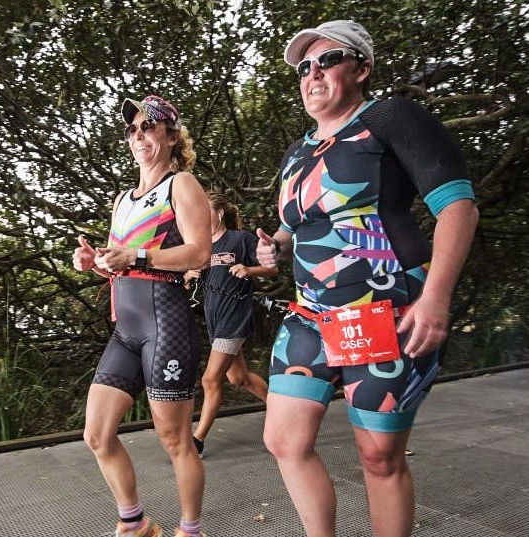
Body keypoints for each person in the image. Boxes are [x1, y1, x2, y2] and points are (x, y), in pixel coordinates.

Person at [255, 20, 479, 537]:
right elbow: (294, 229)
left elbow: (458, 209)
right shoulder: (296, 153)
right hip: (310, 315)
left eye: (327, 60)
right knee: (284, 440)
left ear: (361, 68)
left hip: (385, 311)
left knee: (379, 455)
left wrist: (436, 299)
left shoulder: (389, 117)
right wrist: (272, 249)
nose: (313, 74)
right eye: (303, 67)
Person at [73, 95, 211, 537]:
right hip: (127, 328)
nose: (139, 136)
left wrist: (138, 253)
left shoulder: (182, 185)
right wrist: (95, 261)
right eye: (132, 130)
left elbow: (200, 253)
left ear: (171, 136)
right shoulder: (123, 199)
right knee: (96, 434)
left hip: (166, 324)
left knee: (175, 441)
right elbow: (123, 260)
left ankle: (190, 531)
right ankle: (135, 523)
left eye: (148, 128)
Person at [185, 192, 277, 457]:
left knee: (210, 379)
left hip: (234, 319)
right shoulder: (201, 247)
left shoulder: (240, 239)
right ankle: (284, 412)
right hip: (215, 321)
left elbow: (271, 269)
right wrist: (188, 276)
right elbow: (190, 279)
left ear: (220, 213)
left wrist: (249, 270)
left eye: (206, 212)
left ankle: (198, 440)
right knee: (239, 378)